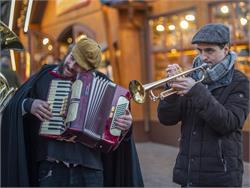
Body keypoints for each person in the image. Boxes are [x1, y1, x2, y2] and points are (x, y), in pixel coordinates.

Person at [1, 37, 143, 187]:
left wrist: (125, 126)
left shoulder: (108, 88)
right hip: (52, 169)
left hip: (90, 171)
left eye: (79, 65)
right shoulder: (44, 77)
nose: (71, 65)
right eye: (72, 58)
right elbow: (13, 107)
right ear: (69, 52)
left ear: (89, 70)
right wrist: (28, 104)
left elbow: (116, 133)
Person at [157, 23, 249, 187]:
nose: (203, 57)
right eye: (200, 50)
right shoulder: (193, 77)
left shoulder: (239, 81)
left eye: (210, 50)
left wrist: (196, 91)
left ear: (226, 49)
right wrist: (171, 90)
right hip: (189, 173)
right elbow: (166, 119)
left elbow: (229, 123)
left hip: (221, 175)